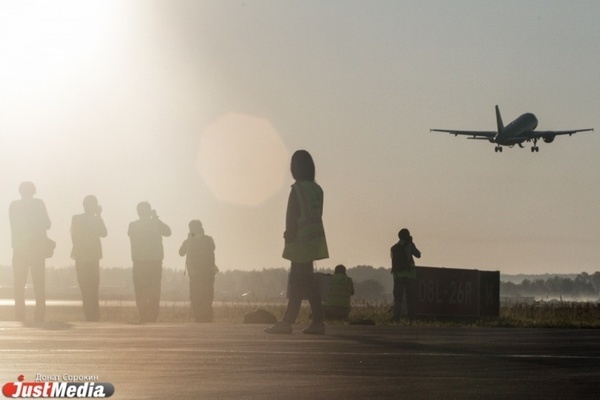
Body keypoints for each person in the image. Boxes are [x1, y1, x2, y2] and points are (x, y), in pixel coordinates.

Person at [265, 150, 328, 334]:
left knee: (299, 282)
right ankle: (307, 321)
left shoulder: (297, 189)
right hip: (314, 240)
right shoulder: (317, 190)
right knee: (304, 282)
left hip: (299, 241)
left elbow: (292, 216)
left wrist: (289, 236)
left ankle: (292, 322)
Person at [9, 181, 52, 322]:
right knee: (39, 285)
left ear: (20, 191)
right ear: (33, 191)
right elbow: (47, 224)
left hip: (20, 249)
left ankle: (20, 315)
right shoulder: (39, 204)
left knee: (19, 286)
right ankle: (39, 316)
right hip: (37, 250)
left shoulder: (14, 206)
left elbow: (14, 227)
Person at [128, 202, 171, 323]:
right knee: (155, 289)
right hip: (155, 262)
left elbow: (130, 235)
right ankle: (153, 316)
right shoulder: (156, 223)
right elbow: (168, 232)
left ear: (138, 212)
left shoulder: (133, 225)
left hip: (139, 262)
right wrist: (155, 218)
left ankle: (143, 315)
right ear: (150, 210)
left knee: (140, 290)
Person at [70, 195, 107, 322]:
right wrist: (99, 215)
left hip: (81, 257)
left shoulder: (76, 219)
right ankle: (94, 317)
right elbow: (104, 233)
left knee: (85, 289)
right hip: (92, 258)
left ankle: (89, 316)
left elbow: (73, 236)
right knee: (93, 289)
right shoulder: (95, 219)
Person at [179, 220, 218, 322]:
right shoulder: (209, 240)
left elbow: (181, 252)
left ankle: (199, 318)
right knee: (208, 296)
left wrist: (190, 238)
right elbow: (213, 248)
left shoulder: (189, 241)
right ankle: (208, 318)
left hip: (194, 274)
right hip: (208, 273)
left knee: (196, 296)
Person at [390, 228, 421, 321]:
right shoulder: (409, 245)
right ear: (408, 236)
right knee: (410, 298)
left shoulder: (393, 248)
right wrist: (411, 243)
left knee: (398, 299)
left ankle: (396, 318)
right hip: (409, 275)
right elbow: (418, 255)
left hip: (397, 275)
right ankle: (411, 319)